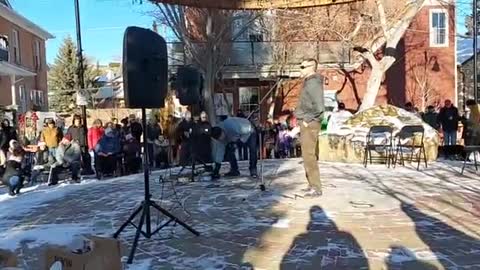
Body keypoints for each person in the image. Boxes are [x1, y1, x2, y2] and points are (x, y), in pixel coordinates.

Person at [294, 58, 324, 197]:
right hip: (307, 121)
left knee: (309, 155)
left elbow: (319, 106)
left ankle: (316, 187)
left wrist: (306, 119)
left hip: (310, 123)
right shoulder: (309, 82)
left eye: (302, 66)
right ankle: (311, 184)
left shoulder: (313, 83)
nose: (300, 69)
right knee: (307, 155)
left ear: (311, 67)